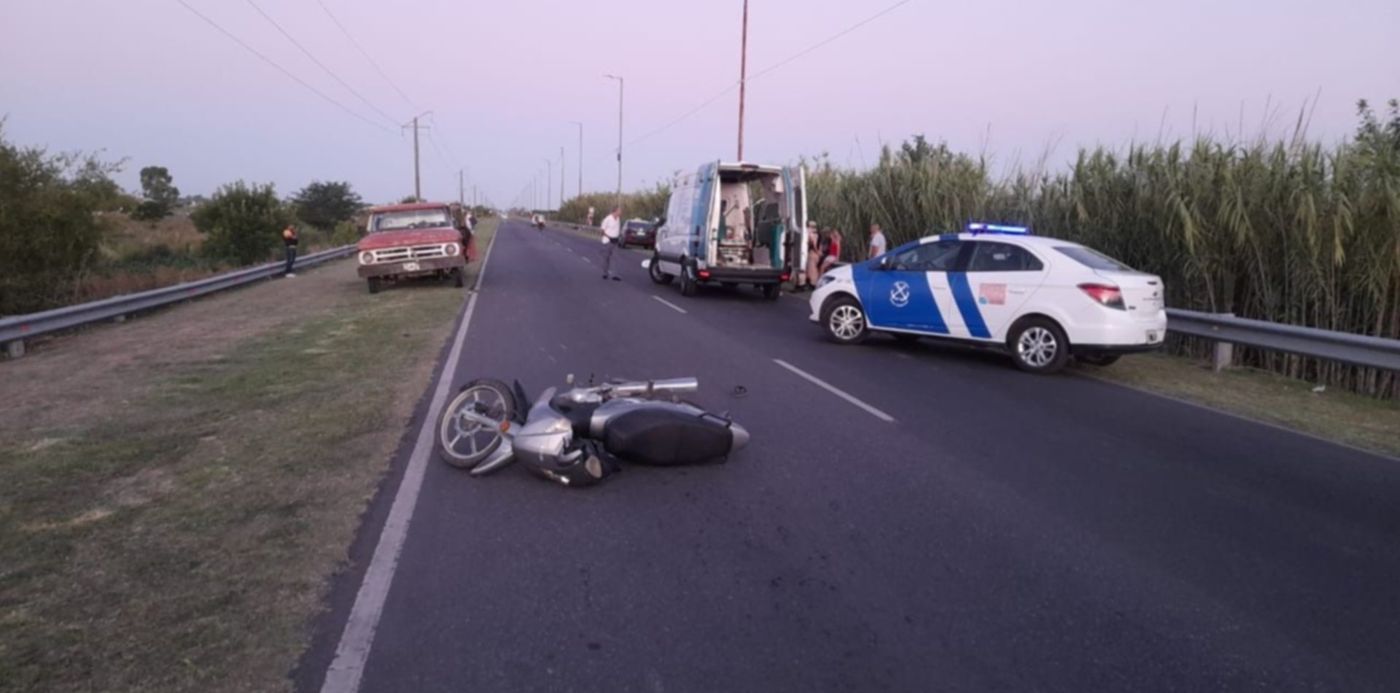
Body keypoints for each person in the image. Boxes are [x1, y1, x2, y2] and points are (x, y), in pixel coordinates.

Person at [599, 206, 622, 280]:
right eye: (619, 211)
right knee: (606, 258)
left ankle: (615, 275)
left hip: (615, 241)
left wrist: (618, 237)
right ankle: (605, 273)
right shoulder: (607, 219)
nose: (620, 212)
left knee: (616, 258)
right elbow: (602, 231)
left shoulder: (618, 219)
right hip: (608, 241)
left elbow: (617, 229)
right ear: (615, 211)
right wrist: (609, 237)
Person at [804, 222, 823, 290]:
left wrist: (817, 252)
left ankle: (813, 284)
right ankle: (812, 283)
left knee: (812, 269)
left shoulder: (813, 234)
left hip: (813, 253)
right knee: (813, 268)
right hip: (816, 254)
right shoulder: (818, 234)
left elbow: (814, 244)